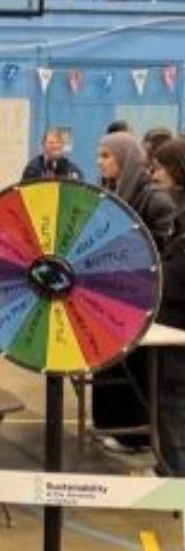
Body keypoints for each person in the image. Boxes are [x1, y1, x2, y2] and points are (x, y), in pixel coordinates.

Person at [92, 132, 175, 454]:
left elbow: (160, 249)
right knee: (108, 361)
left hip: (139, 296)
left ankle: (134, 435)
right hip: (114, 292)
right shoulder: (113, 192)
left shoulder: (154, 198)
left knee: (135, 367)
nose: (100, 161)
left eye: (106, 156)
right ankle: (112, 425)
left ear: (124, 158)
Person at [149, 137, 185, 475]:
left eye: (159, 167)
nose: (154, 173)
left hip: (178, 327)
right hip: (172, 321)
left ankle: (175, 479)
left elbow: (176, 274)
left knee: (174, 403)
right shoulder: (179, 210)